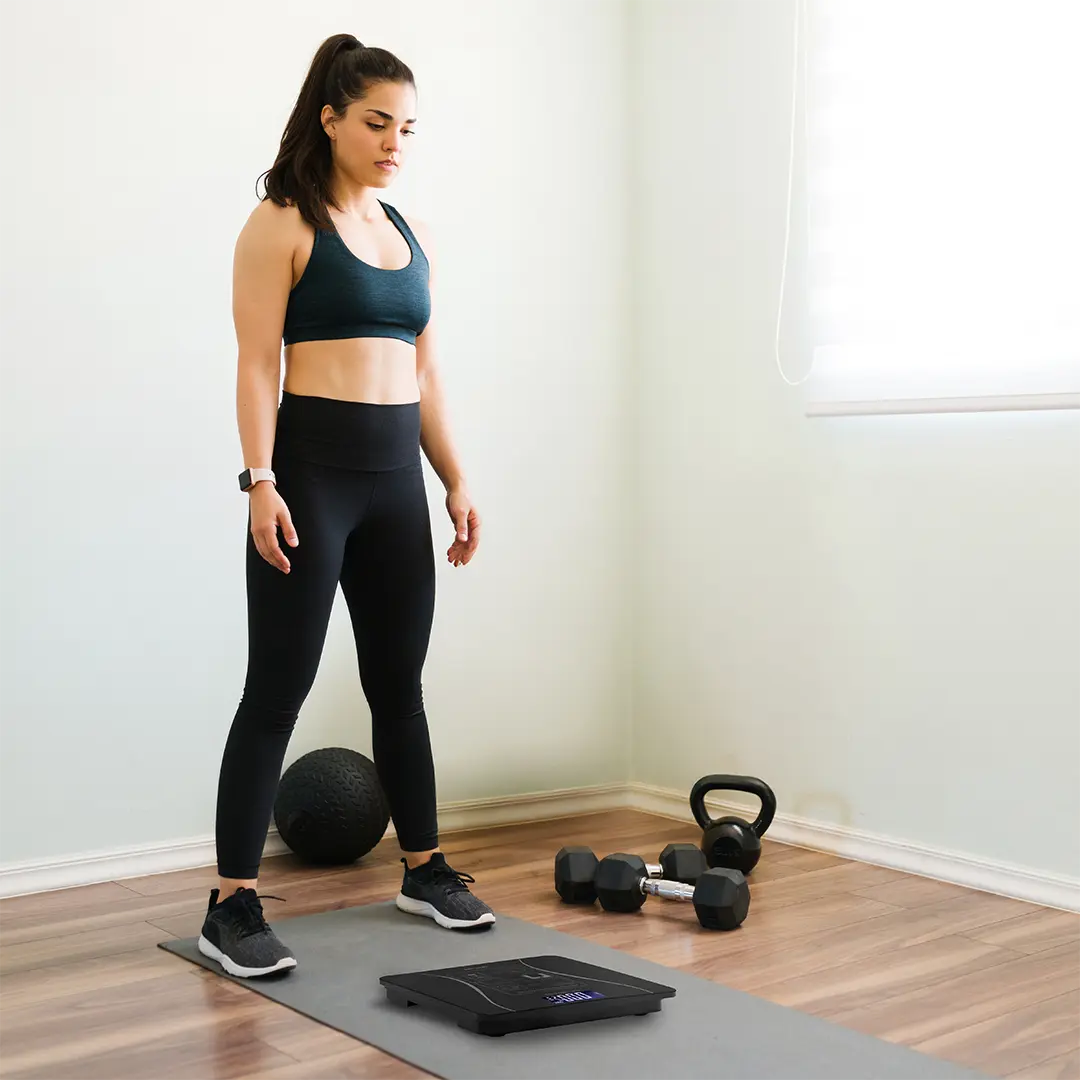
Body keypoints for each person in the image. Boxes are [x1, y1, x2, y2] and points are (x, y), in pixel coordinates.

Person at [196, 33, 494, 980]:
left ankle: (424, 869)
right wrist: (260, 481)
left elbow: (428, 376)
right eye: (376, 122)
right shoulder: (281, 224)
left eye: (407, 127)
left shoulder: (411, 233)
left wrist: (454, 479)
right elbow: (256, 365)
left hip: (396, 485)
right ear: (329, 119)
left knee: (399, 687)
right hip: (311, 479)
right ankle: (230, 906)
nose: (395, 142)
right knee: (275, 690)